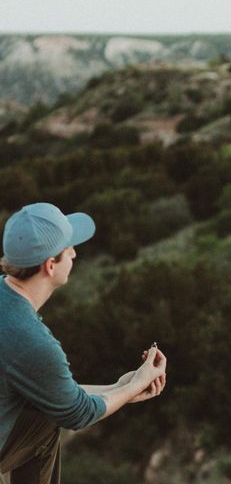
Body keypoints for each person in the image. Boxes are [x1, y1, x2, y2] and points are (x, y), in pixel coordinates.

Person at [0, 203, 167, 484]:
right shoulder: (32, 342)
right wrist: (136, 385)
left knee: (43, 412)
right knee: (45, 422)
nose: (75, 253)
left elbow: (58, 397)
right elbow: (76, 414)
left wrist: (122, 387)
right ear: (50, 265)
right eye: (69, 249)